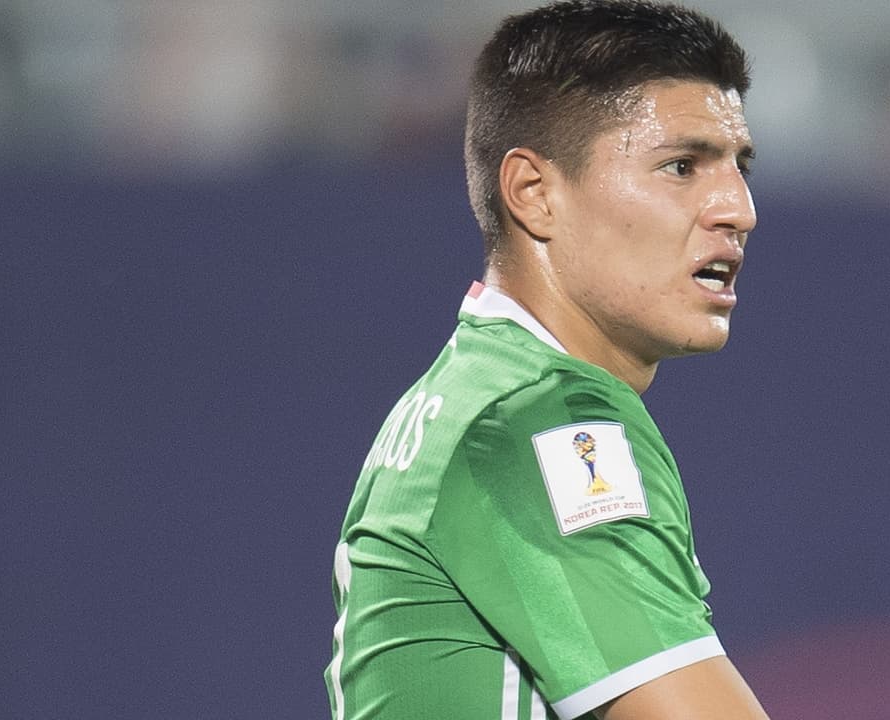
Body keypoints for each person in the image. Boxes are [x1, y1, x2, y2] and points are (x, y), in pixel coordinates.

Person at [325, 1, 767, 717]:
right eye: (682, 166)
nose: (738, 209)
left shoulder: (478, 391)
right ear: (534, 194)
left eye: (739, 166)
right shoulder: (541, 422)